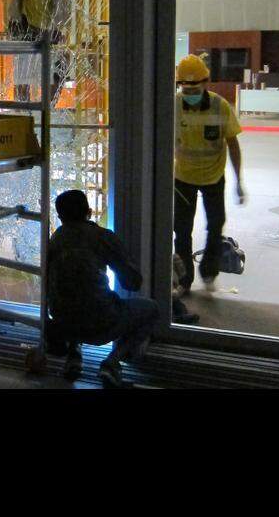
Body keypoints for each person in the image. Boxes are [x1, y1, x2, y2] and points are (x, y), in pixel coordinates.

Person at [45, 190, 158, 388]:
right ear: (89, 212)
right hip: (102, 323)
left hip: (63, 325)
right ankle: (112, 363)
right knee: (151, 309)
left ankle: (74, 356)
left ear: (60, 216)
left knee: (71, 296)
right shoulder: (102, 237)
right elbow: (132, 282)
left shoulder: (55, 240)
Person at [173, 54, 246, 300]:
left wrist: (238, 182)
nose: (190, 91)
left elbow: (233, 145)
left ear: (206, 82)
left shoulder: (220, 106)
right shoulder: (174, 106)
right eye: (185, 87)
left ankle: (209, 272)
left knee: (215, 226)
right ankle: (184, 280)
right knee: (181, 231)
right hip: (183, 177)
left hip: (214, 178)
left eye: (195, 87)